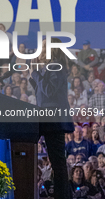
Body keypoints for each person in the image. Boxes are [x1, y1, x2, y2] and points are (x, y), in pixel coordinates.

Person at [28, 38, 76, 199]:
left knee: (58, 164)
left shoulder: (56, 66)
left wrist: (34, 73)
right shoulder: (49, 67)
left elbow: (49, 91)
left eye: (42, 47)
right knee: (57, 163)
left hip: (53, 120)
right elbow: (42, 94)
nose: (39, 50)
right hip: (46, 119)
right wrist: (33, 74)